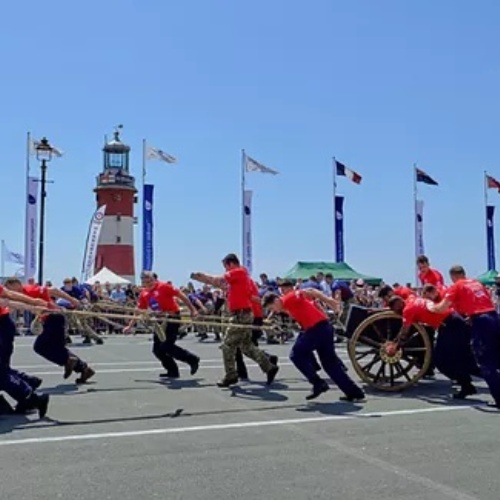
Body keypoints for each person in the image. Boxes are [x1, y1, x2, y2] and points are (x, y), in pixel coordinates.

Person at [191, 253, 279, 387]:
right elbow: (248, 295)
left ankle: (231, 375)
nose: (226, 270)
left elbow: (216, 280)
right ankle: (269, 366)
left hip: (241, 314)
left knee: (227, 345)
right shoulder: (240, 278)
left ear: (230, 264)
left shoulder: (238, 272)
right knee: (246, 346)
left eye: (225, 267)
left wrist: (200, 277)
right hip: (242, 313)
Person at [263, 288, 365, 402]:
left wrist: (328, 300)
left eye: (272, 308)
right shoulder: (287, 306)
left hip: (317, 329)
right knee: (330, 365)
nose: (274, 311)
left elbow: (310, 291)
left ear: (276, 300)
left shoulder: (289, 298)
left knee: (295, 355)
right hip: (323, 328)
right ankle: (354, 392)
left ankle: (318, 383)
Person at [388, 286, 479, 399]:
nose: (396, 312)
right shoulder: (413, 299)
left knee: (440, 360)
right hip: (453, 320)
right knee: (465, 359)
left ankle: (467, 384)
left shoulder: (407, 310)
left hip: (450, 325)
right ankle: (469, 383)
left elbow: (405, 331)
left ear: (398, 305)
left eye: (394, 309)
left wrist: (396, 346)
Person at [428, 265, 500, 408]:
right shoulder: (477, 283)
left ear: (453, 276)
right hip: (494, 317)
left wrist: (430, 306)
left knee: (485, 363)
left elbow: (442, 307)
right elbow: (485, 302)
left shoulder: (457, 286)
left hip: (481, 322)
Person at [2, 278, 95, 384]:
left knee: (41, 347)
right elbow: (11, 308)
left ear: (17, 284)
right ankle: (84, 369)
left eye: (10, 289)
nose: (10, 292)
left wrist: (72, 300)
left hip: (54, 317)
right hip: (51, 319)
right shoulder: (21, 295)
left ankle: (71, 361)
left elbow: (54, 290)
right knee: (57, 348)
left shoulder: (30, 290)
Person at [124, 272, 200, 379]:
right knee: (157, 350)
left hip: (172, 318)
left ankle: (192, 359)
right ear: (143, 283)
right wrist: (130, 326)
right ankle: (172, 371)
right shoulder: (144, 294)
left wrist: (193, 310)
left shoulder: (164, 287)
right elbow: (139, 311)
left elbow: (182, 296)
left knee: (167, 346)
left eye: (150, 280)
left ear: (154, 279)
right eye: (146, 282)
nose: (149, 283)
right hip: (159, 321)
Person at [0, 285, 50, 417]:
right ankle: (28, 384)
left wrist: (33, 305)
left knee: (0, 372)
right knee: (2, 370)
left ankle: (33, 399)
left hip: (2, 327)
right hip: (3, 326)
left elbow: (7, 298)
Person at [235, 279, 279, 380]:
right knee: (247, 345)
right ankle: (241, 372)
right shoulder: (250, 283)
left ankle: (267, 360)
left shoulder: (240, 284)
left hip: (248, 316)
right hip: (256, 315)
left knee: (238, 345)